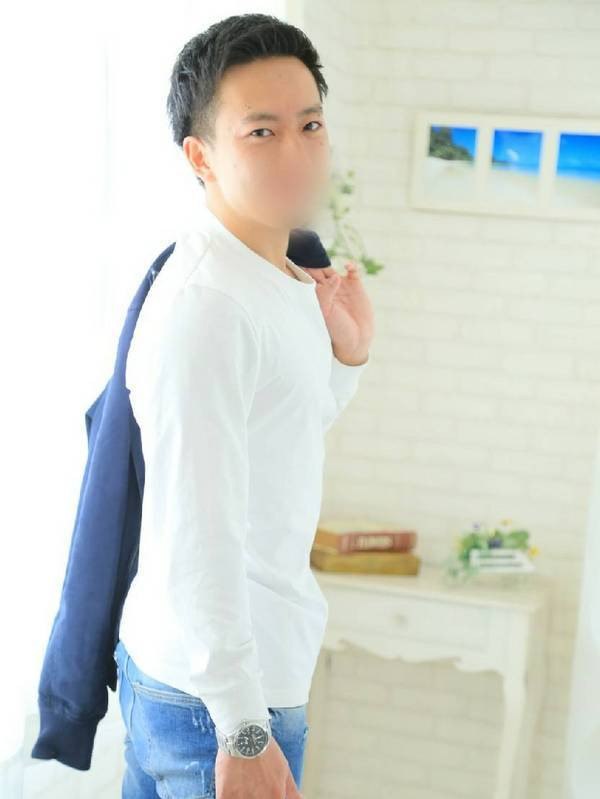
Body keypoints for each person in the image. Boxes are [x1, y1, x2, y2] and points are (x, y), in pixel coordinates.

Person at [115, 12, 374, 799]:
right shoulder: (210, 304)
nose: (296, 151)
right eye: (262, 132)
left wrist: (348, 357)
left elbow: (276, 437)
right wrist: (243, 726)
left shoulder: (277, 272)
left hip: (218, 678)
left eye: (310, 124)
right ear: (200, 156)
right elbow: (199, 528)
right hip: (219, 702)